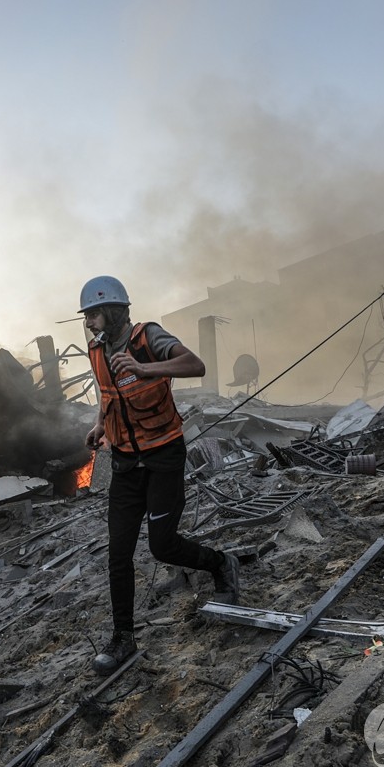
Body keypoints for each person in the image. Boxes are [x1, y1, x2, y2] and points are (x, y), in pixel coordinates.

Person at [79, 275, 241, 675]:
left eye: (94, 314)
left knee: (162, 546)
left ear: (115, 311)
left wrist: (146, 368)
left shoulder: (147, 337)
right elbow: (107, 393)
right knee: (119, 552)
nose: (89, 322)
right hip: (124, 464)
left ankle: (221, 564)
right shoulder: (96, 351)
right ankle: (122, 640)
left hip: (163, 457)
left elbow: (194, 364)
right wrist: (101, 424)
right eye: (87, 315)